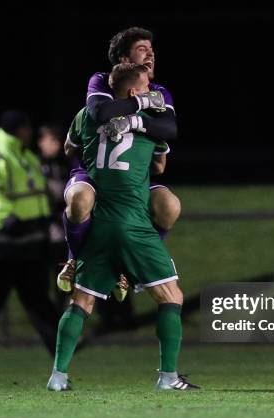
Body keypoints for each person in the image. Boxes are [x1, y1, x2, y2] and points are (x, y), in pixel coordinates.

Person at [47, 64, 198, 391]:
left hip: (99, 223)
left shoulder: (86, 116)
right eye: (145, 86)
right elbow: (159, 164)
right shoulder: (149, 126)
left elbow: (71, 149)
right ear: (132, 93)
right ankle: (168, 377)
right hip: (134, 225)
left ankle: (58, 376)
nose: (150, 91)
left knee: (81, 302)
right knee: (171, 296)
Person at [58, 27, 181, 294]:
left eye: (151, 49)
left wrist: (132, 120)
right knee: (80, 199)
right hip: (94, 175)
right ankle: (73, 259)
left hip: (130, 181)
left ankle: (133, 266)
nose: (150, 53)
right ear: (124, 60)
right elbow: (102, 112)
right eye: (141, 49)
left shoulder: (159, 90)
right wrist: (142, 104)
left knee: (170, 206)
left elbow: (169, 130)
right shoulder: (101, 81)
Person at [0, 110, 58, 360]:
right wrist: (5, 220)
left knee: (39, 301)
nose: (31, 133)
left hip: (29, 242)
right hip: (2, 244)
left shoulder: (26, 157)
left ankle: (61, 348)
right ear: (19, 130)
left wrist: (46, 217)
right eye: (27, 128)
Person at [37, 125, 70, 316]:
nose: (56, 145)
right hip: (45, 231)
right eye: (51, 140)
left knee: (63, 276)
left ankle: (61, 315)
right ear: (41, 142)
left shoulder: (64, 165)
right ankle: (51, 316)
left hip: (62, 232)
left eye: (57, 140)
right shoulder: (36, 165)